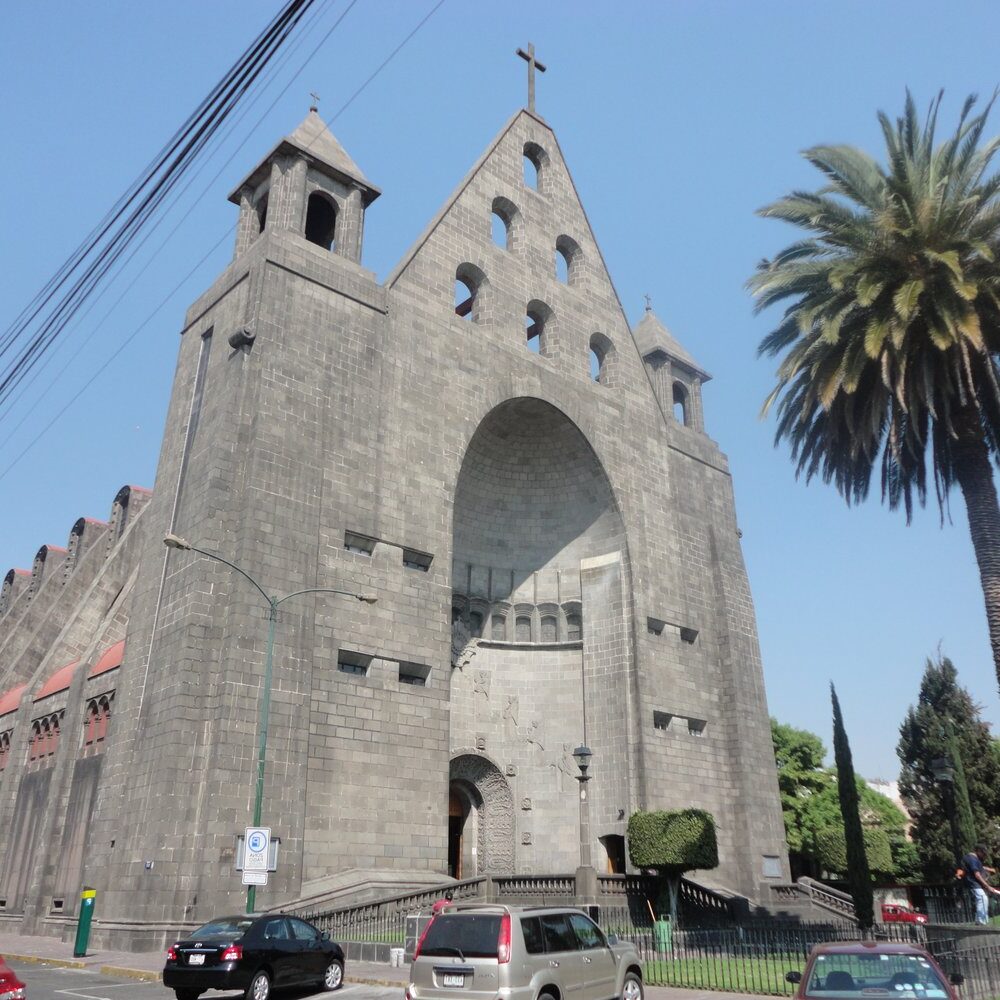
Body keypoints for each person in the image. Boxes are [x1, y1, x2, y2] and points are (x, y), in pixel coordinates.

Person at [961, 843, 1000, 924]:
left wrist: (989, 869)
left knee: (982, 899)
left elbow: (980, 867)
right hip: (973, 883)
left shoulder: (972, 858)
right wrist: (987, 886)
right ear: (978, 851)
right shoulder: (972, 859)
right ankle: (981, 922)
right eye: (984, 853)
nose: (984, 856)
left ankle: (979, 920)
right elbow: (977, 874)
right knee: (982, 899)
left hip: (975, 883)